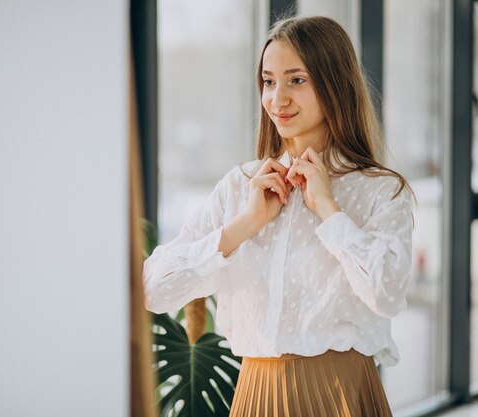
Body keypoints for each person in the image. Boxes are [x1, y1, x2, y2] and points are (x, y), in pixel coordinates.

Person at [142, 15, 416, 417]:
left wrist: (329, 210)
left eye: (297, 80)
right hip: (256, 396)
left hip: (343, 395)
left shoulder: (380, 190)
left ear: (334, 84)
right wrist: (243, 226)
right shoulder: (240, 187)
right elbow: (152, 290)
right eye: (269, 81)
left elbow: (387, 293)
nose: (277, 99)